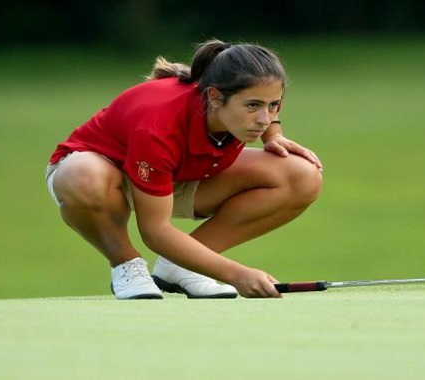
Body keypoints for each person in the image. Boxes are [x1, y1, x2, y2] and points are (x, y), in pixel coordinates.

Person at [45, 39, 323, 299]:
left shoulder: (229, 97)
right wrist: (237, 274)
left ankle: (178, 268)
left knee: (302, 175)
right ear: (214, 97)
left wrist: (273, 136)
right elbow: (155, 231)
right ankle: (125, 264)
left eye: (273, 105)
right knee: (83, 177)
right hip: (105, 176)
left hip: (178, 173)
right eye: (253, 106)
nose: (264, 118)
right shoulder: (158, 127)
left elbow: (264, 106)